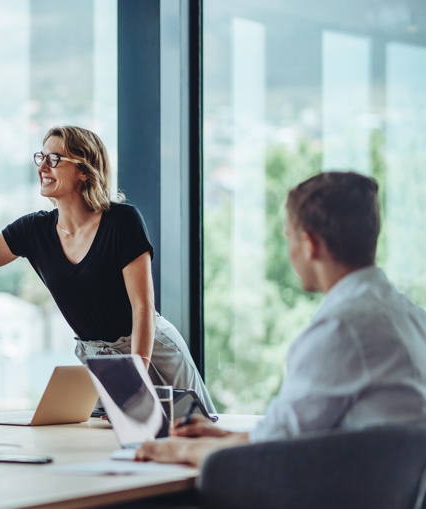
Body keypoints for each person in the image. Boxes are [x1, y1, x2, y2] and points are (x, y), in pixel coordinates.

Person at [136, 171, 426, 466]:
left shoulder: (341, 328)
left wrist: (179, 451)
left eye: (289, 238)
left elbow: (271, 451)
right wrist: (223, 436)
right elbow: (292, 432)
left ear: (309, 245)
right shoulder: (411, 316)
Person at [0, 125, 215, 412]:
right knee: (108, 445)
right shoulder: (33, 231)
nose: (43, 167)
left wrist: (137, 375)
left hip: (151, 351)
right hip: (99, 361)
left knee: (194, 432)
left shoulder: (122, 221)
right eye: (42, 157)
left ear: (84, 170)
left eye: (55, 159)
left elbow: (143, 308)